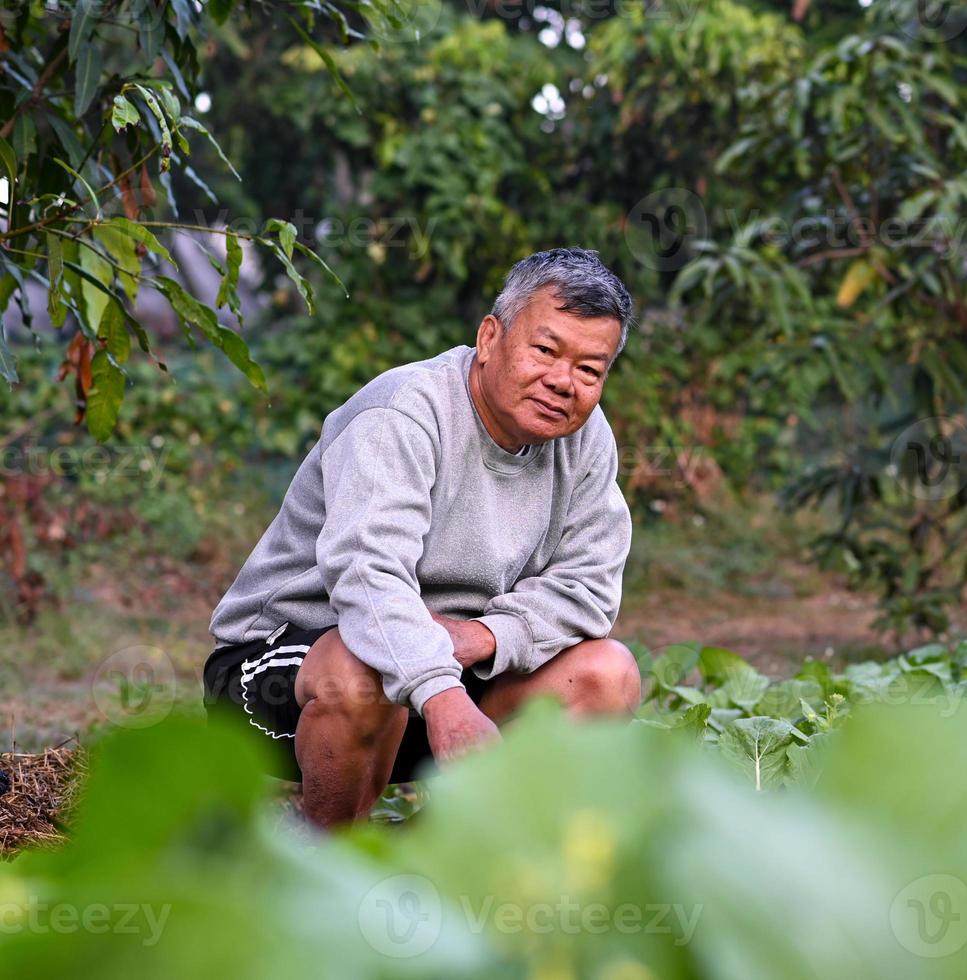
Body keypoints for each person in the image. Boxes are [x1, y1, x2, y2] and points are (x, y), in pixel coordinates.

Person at [202, 247, 641, 828]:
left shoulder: (584, 441)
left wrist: (484, 636)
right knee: (363, 665)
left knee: (606, 675)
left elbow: (589, 587)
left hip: (447, 682)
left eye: (590, 369)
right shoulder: (404, 413)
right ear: (490, 338)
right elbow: (367, 577)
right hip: (287, 676)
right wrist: (440, 693)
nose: (564, 383)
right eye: (545, 350)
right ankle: (327, 857)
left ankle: (462, 855)